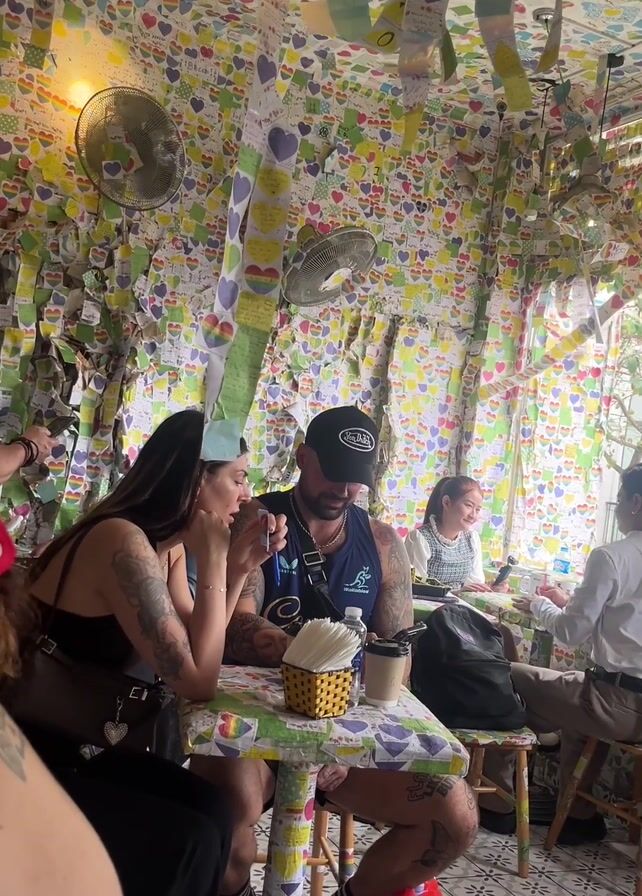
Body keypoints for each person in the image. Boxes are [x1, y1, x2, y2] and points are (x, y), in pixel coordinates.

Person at [191, 406, 479, 896]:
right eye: (334, 473)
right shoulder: (256, 520)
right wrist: (312, 658)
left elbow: (396, 655)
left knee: (456, 817)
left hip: (347, 735)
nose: (344, 490)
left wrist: (347, 742)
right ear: (303, 457)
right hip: (254, 727)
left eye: (355, 479)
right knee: (227, 814)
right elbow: (236, 622)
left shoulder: (382, 543)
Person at [9, 409, 287, 896]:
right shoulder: (121, 541)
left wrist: (239, 568)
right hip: (33, 753)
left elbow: (200, 644)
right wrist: (215, 561)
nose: (246, 495)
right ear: (196, 481)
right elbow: (198, 681)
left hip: (88, 745)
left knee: (216, 811)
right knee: (189, 840)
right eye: (238, 478)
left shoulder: (167, 547)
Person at [482, 463, 642, 844]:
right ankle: (577, 816)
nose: (617, 506)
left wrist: (541, 605)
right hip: (627, 704)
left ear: (636, 503)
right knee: (573, 705)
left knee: (502, 674)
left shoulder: (611, 556)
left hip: (614, 703)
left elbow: (572, 632)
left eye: (620, 498)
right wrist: (569, 602)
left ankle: (498, 802)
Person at [404, 476, 502, 593]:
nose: (473, 515)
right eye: (469, 505)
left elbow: (475, 585)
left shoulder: (472, 539)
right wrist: (457, 592)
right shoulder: (419, 538)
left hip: (460, 604)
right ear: (447, 502)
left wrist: (491, 589)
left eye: (477, 509)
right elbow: (414, 589)